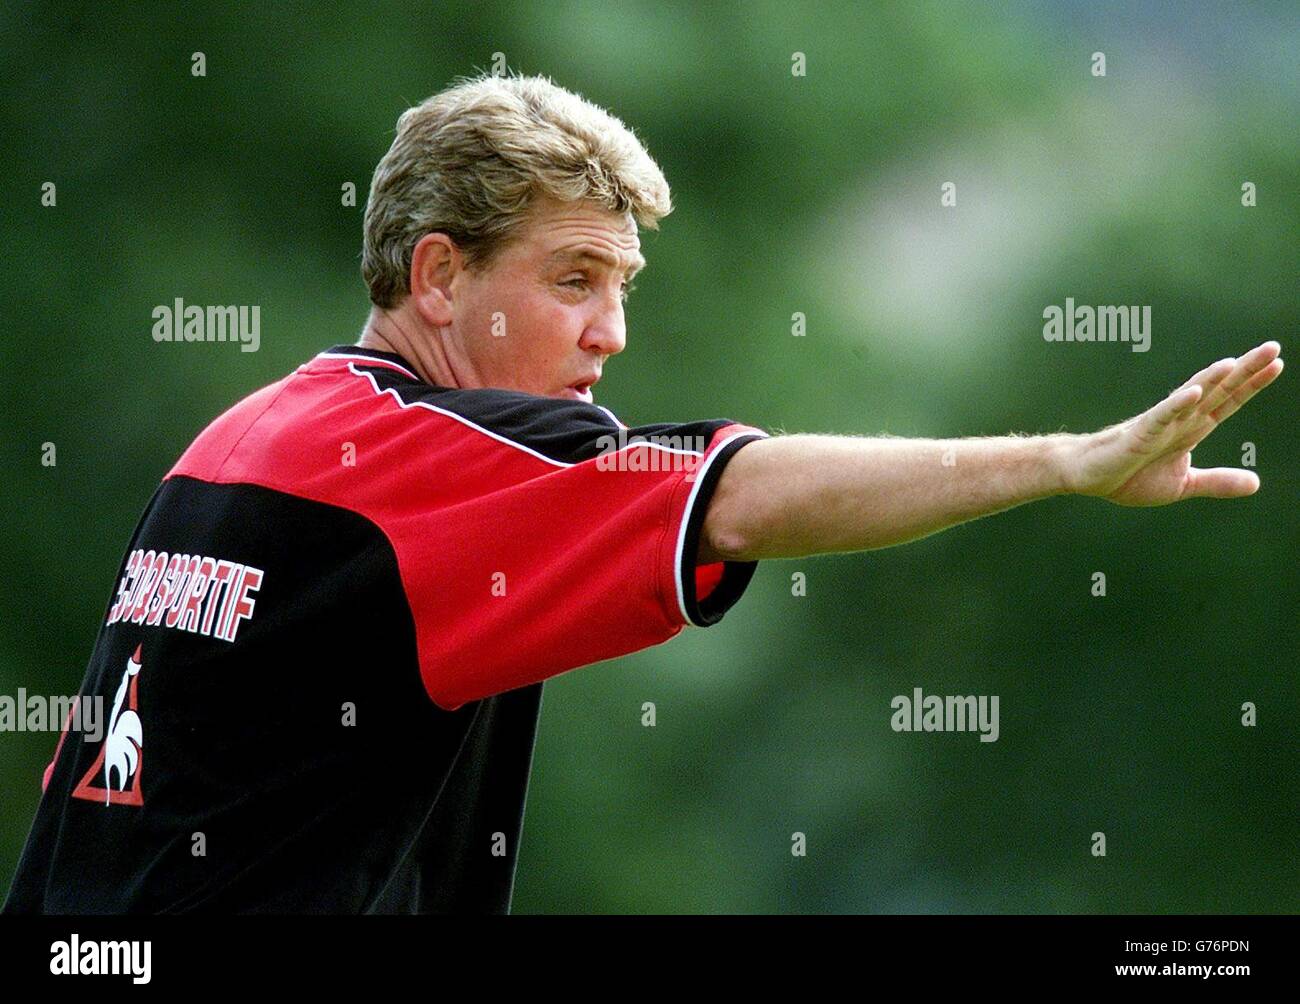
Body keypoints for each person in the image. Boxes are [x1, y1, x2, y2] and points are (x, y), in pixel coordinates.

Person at [3, 72, 1282, 915]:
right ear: (438, 275)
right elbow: (739, 495)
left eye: (623, 289)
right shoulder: (417, 462)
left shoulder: (237, 440)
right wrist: (1067, 460)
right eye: (572, 280)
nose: (609, 334)